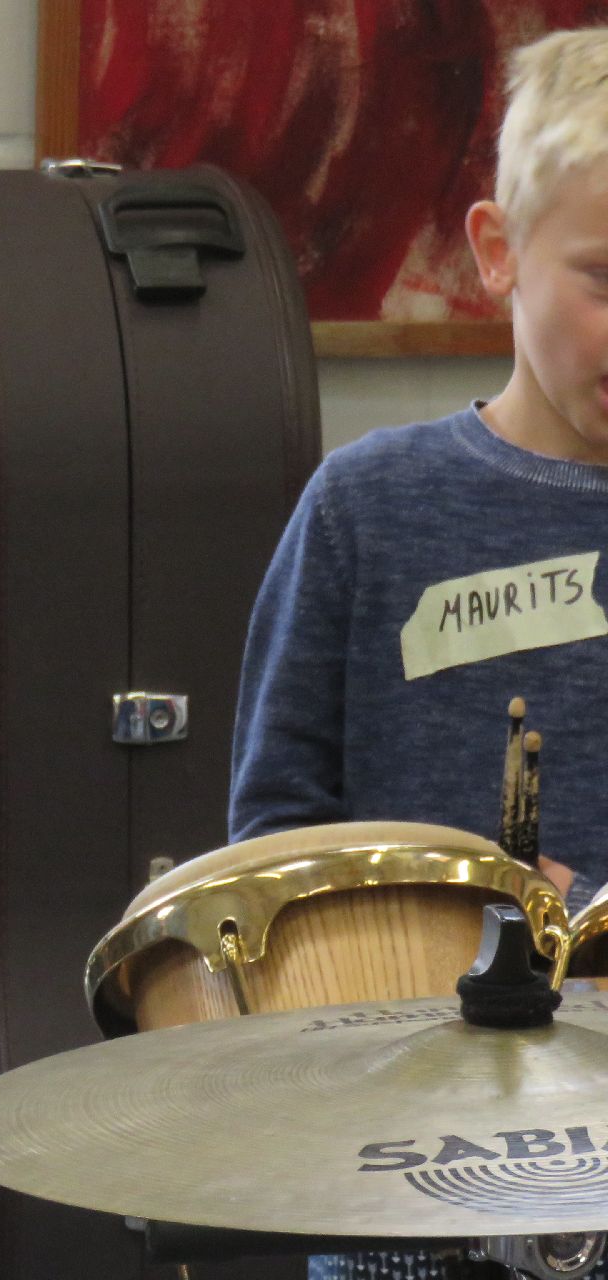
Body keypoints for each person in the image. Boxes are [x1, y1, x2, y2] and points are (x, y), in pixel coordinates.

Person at [227, 27, 608, 1280]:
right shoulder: (365, 508)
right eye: (606, 279)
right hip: (405, 1189)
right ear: (497, 252)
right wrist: (428, 921)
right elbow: (274, 840)